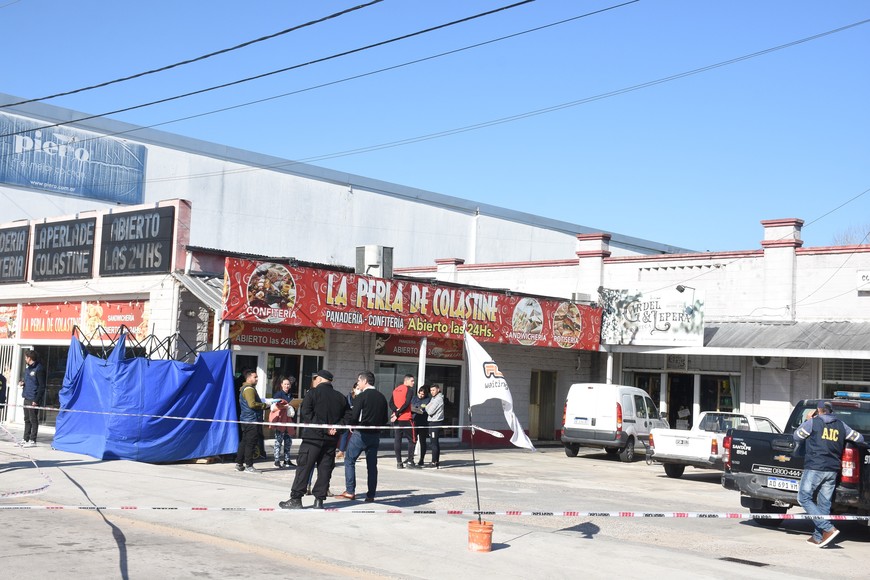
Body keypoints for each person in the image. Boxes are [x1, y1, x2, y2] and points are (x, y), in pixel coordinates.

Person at [794, 401, 865, 548]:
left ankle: (828, 528)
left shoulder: (813, 423)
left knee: (803, 497)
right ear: (831, 411)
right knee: (824, 503)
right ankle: (818, 537)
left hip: (815, 467)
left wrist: (807, 420)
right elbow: (859, 438)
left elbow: (797, 436)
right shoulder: (842, 425)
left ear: (818, 410)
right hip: (832, 469)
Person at [280, 370, 349, 510]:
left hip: (313, 438)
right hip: (331, 439)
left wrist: (325, 428)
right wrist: (336, 428)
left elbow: (306, 413)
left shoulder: (312, 393)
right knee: (325, 469)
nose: (314, 380)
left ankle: (296, 499)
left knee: (304, 467)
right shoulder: (340, 397)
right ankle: (319, 500)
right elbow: (349, 416)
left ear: (320, 379)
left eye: (316, 378)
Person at [338, 371, 389, 502]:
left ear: (365, 381)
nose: (358, 384)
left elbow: (354, 415)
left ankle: (350, 491)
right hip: (375, 435)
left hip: (360, 434)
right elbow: (385, 419)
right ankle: (371, 494)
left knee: (349, 460)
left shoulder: (361, 396)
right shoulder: (382, 397)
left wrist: (351, 425)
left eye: (359, 381)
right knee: (372, 466)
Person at [235, 369, 271, 474]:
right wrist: (265, 405)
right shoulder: (249, 389)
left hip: (246, 419)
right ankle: (249, 466)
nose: (257, 379)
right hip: (251, 420)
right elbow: (252, 404)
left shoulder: (245, 388)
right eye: (255, 377)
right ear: (249, 377)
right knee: (250, 443)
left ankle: (239, 464)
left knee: (244, 441)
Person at [18, 349, 46, 447]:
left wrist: (36, 400)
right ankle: (25, 438)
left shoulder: (39, 369)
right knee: (27, 419)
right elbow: (27, 381)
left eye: (26, 357)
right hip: (26, 396)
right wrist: (22, 383)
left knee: (33, 419)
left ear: (29, 358)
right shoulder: (28, 369)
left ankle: (33, 440)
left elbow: (42, 386)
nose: (25, 359)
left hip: (33, 398)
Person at [390, 374, 416, 468]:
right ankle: (410, 462)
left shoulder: (396, 390)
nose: (413, 382)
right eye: (412, 381)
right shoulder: (409, 390)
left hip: (397, 420)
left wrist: (396, 411)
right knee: (412, 440)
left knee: (397, 440)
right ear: (406, 381)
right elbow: (406, 403)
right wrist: (398, 413)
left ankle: (399, 462)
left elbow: (391, 403)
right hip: (406, 418)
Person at [270, 376, 297, 468]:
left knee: (288, 442)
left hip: (289, 421)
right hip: (280, 421)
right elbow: (273, 407)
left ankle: (287, 460)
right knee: (278, 441)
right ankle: (276, 461)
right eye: (285, 384)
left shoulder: (291, 395)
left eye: (288, 384)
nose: (287, 386)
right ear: (281, 385)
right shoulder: (278, 394)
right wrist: (285, 406)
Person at [425, 384, 445, 468]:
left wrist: (427, 407)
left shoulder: (438, 399)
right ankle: (436, 460)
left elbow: (430, 411)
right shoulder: (434, 398)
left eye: (433, 390)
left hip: (435, 422)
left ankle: (434, 462)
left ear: (438, 390)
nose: (432, 392)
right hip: (432, 422)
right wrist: (427, 407)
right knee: (434, 442)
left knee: (434, 443)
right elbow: (428, 406)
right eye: (431, 390)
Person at [411, 384, 431, 466]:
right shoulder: (414, 398)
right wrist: (417, 408)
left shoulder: (428, 400)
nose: (421, 395)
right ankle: (410, 458)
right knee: (413, 441)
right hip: (414, 422)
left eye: (423, 394)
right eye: (420, 393)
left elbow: (424, 410)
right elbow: (411, 407)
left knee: (422, 441)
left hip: (423, 423)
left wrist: (417, 409)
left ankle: (421, 459)